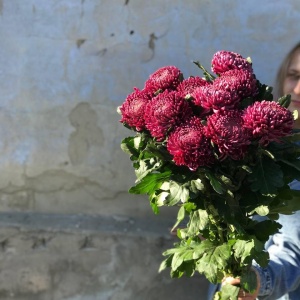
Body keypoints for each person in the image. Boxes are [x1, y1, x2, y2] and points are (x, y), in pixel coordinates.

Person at [207, 42, 300, 300]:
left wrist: (258, 281)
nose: (298, 88)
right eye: (294, 75)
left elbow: (294, 249)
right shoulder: (252, 141)